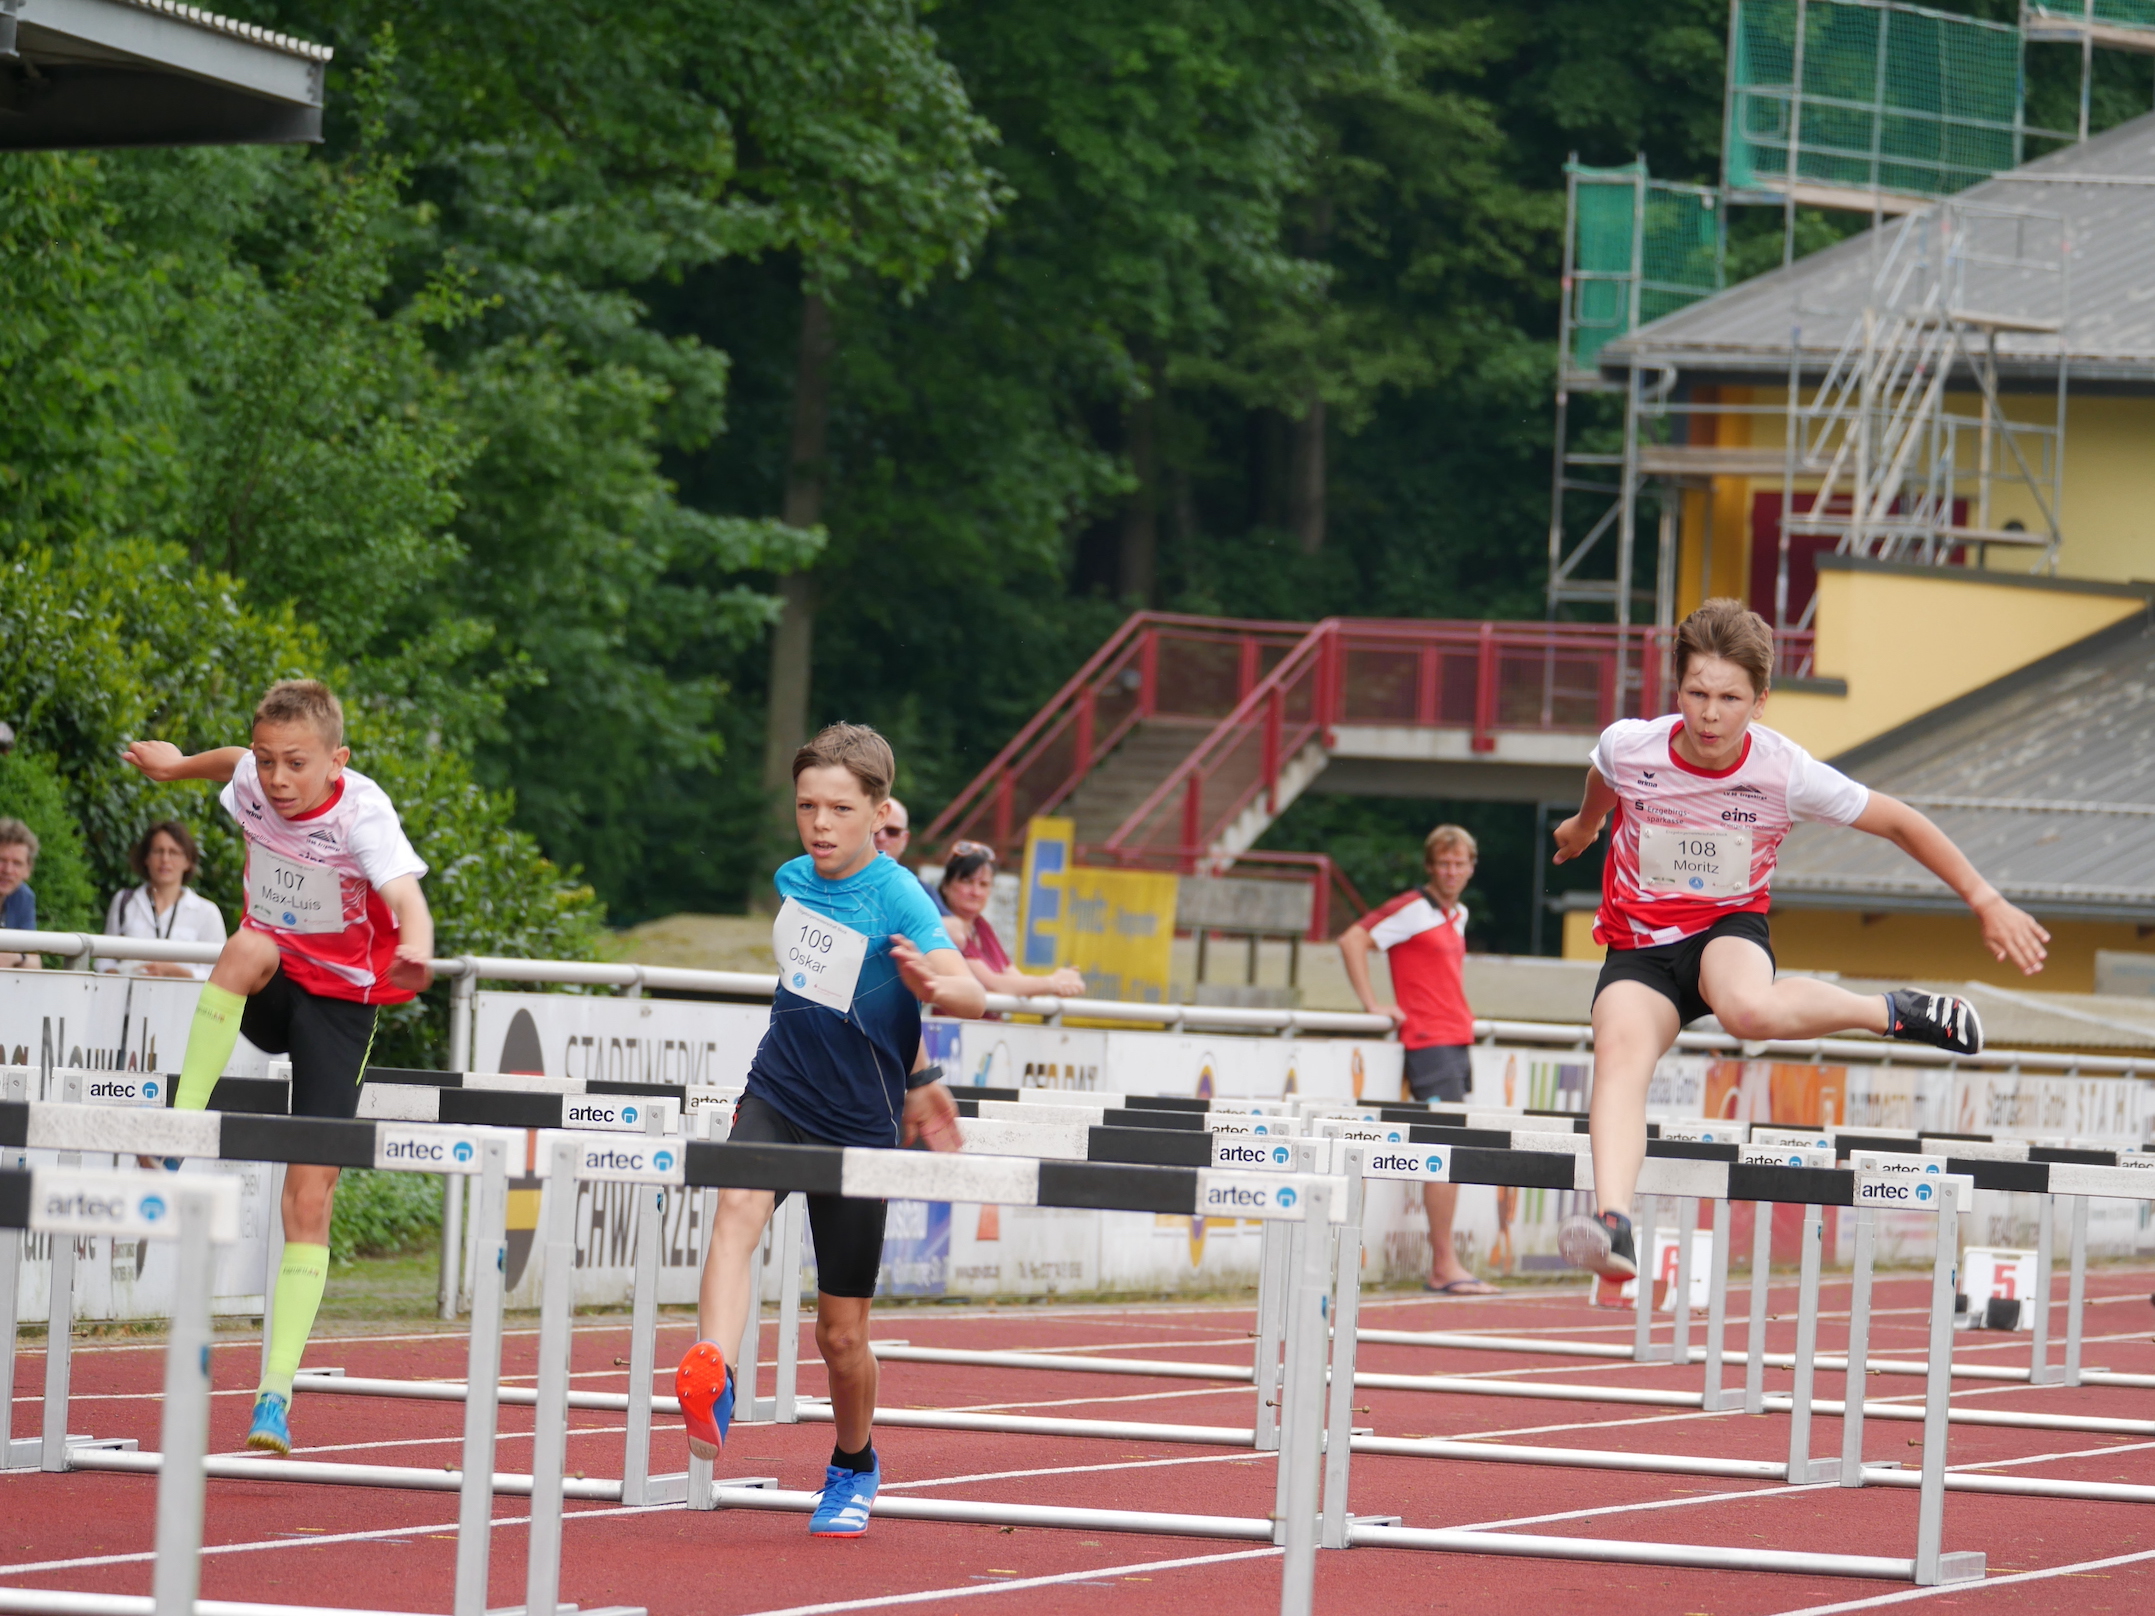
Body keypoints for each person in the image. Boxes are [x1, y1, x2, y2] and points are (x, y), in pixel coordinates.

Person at [1549, 599, 2048, 1280]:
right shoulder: (1628, 744)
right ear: (1676, 689)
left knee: (1747, 1011)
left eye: (1729, 698)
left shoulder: (1785, 772)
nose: (1709, 714)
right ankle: (1613, 1225)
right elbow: (1605, 780)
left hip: (1725, 929)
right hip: (1638, 946)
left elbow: (1899, 823)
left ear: (1760, 701)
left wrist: (1984, 901)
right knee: (1617, 1052)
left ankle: (1894, 1012)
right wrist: (1584, 826)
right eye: (1696, 693)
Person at [677, 723, 985, 1538]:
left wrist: (935, 988)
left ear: (878, 812)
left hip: (856, 1125)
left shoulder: (899, 896)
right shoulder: (794, 878)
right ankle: (715, 1372)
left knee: (840, 1334)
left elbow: (971, 995)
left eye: (839, 809)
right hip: (777, 1089)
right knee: (734, 1215)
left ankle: (854, 1462)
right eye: (807, 805)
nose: (819, 825)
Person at [122, 679, 434, 1452]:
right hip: (270, 982)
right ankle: (184, 1123)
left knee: (308, 1199)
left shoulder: (362, 812)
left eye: (295, 764)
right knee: (246, 943)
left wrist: (418, 946)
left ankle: (273, 1395)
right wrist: (176, 765)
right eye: (268, 763)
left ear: (338, 762)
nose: (276, 781)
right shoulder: (253, 780)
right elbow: (230, 761)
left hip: (338, 1009)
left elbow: (403, 891)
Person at [1338, 824, 1498, 1295]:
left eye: (1459, 863)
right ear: (1431, 867)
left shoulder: (1458, 914)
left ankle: (1446, 1263)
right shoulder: (1412, 908)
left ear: (1471, 868)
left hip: (1454, 1037)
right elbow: (1352, 939)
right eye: (1443, 863)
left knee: (1449, 1153)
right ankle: (1444, 1266)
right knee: (1443, 1154)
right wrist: (1373, 1005)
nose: (1451, 871)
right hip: (1428, 1041)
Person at [939, 842, 1085, 1003]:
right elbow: (993, 984)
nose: (975, 892)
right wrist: (1053, 982)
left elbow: (1015, 979)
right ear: (946, 885)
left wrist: (1060, 981)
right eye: (967, 881)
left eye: (984, 884)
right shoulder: (944, 929)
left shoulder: (981, 927)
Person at [101, 821, 227, 979]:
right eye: (158, 851)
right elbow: (104, 962)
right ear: (145, 858)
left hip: (183, 1001)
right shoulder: (124, 902)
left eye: (174, 852)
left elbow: (220, 973)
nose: (165, 859)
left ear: (188, 861)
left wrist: (180, 974)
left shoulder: (207, 912)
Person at [0, 819, 42, 970]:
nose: (7, 870)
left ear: (28, 870)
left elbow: (35, 964)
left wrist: (16, 957)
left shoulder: (23, 897)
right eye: (1, 860)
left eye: (17, 863)